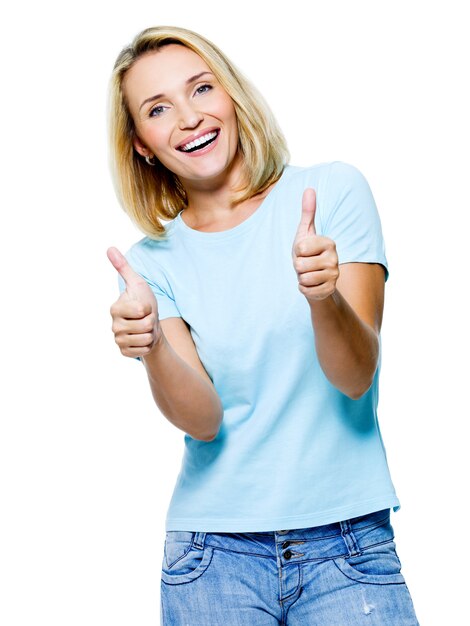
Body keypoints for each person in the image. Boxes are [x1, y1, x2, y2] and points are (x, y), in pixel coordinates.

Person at [107, 25, 420, 625]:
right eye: (157, 109)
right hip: (211, 557)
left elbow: (356, 377)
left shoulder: (330, 192)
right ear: (143, 144)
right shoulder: (150, 263)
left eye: (201, 89)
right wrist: (152, 350)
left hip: (347, 545)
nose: (189, 118)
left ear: (231, 95)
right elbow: (204, 420)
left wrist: (323, 297)